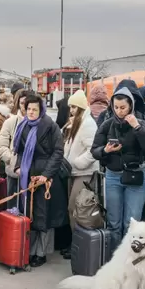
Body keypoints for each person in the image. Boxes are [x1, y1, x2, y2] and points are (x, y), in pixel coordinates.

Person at [91, 87, 145, 250]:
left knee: (131, 223)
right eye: (116, 107)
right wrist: (105, 150)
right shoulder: (107, 125)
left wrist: (137, 127)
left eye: (123, 107)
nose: (119, 111)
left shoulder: (140, 123)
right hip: (113, 176)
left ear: (131, 107)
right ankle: (115, 260)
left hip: (136, 177)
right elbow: (94, 150)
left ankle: (130, 258)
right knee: (114, 223)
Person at [14, 94, 67, 267]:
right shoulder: (22, 126)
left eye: (34, 109)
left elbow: (58, 152)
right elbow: (20, 151)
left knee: (44, 215)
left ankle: (41, 252)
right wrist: (18, 167)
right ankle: (30, 250)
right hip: (27, 175)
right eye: (29, 109)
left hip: (46, 178)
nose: (31, 112)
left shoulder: (51, 127)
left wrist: (46, 174)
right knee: (29, 213)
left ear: (41, 110)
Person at [63, 90, 99, 231]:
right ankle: (75, 243)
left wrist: (78, 162)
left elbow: (92, 150)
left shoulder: (88, 124)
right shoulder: (77, 123)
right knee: (74, 208)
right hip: (75, 171)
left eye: (74, 107)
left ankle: (78, 243)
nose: (71, 110)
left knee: (77, 208)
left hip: (84, 172)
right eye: (70, 107)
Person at [0, 89, 27, 198]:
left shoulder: (39, 123)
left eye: (27, 103)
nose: (25, 106)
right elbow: (1, 146)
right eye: (22, 103)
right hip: (13, 175)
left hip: (32, 176)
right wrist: (11, 160)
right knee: (12, 209)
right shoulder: (10, 122)